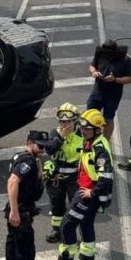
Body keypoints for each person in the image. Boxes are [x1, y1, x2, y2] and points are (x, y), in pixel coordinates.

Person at [42, 109, 114, 260]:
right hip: (87, 194)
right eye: (82, 127)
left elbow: (106, 178)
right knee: (86, 226)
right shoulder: (92, 142)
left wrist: (92, 192)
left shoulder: (99, 148)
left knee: (66, 226)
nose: (83, 130)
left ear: (97, 129)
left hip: (86, 196)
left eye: (87, 128)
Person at [4, 130, 51, 260]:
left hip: (17, 210)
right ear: (30, 142)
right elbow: (12, 182)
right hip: (20, 213)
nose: (42, 150)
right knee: (26, 253)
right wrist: (15, 211)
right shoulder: (28, 162)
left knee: (12, 247)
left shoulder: (20, 156)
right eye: (40, 146)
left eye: (45, 147)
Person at [44, 103, 84, 243]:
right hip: (56, 176)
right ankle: (56, 230)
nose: (64, 124)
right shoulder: (55, 133)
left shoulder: (82, 134)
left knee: (75, 205)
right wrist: (61, 137)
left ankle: (73, 231)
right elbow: (49, 150)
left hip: (74, 177)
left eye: (68, 121)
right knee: (56, 204)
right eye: (62, 121)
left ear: (75, 121)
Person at [85, 39, 131, 139]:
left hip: (112, 96)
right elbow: (92, 66)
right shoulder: (100, 54)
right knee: (89, 117)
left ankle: (105, 142)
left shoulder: (125, 60)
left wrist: (115, 79)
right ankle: (90, 140)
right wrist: (94, 72)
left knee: (108, 119)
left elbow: (130, 79)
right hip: (97, 92)